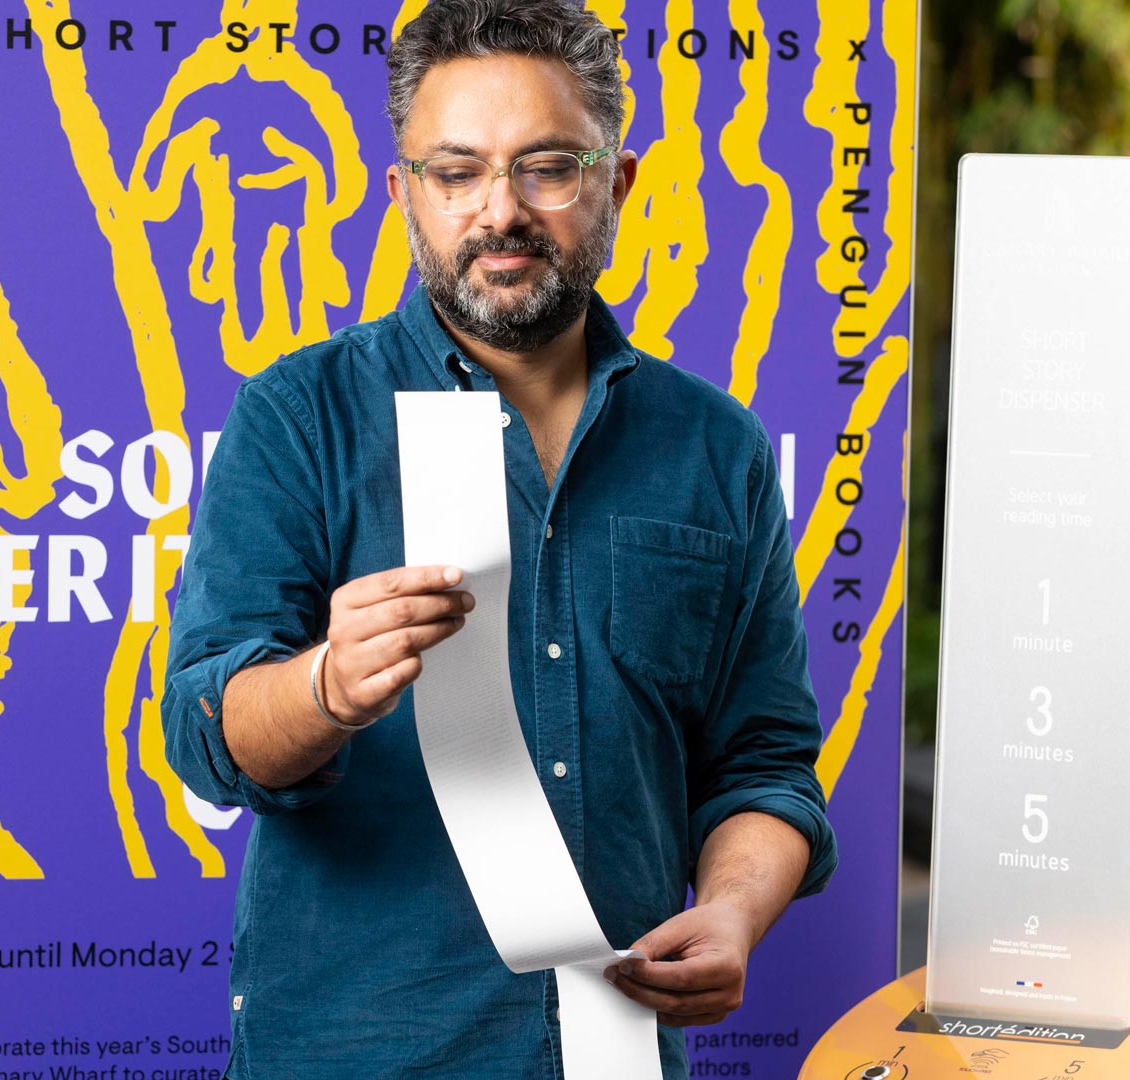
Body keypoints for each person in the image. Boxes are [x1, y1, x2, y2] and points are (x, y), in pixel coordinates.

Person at [162, 2, 837, 1076]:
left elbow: (764, 764)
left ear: (616, 185)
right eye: (457, 171)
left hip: (615, 1053)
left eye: (547, 168)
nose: (500, 210)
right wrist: (329, 687)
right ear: (405, 195)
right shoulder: (299, 418)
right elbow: (205, 736)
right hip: (356, 1051)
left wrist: (737, 910)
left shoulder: (718, 450)